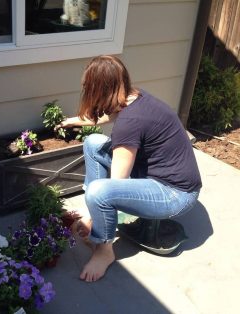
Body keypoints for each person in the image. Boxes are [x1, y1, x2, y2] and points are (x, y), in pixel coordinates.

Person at [56, 55, 202, 282]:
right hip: (158, 174)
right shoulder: (133, 97)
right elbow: (106, 116)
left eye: (87, 85)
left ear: (100, 89)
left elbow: (115, 185)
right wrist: (73, 120)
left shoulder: (129, 123)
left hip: (175, 194)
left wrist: (98, 215)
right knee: (93, 142)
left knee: (100, 192)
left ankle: (104, 251)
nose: (84, 88)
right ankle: (93, 214)